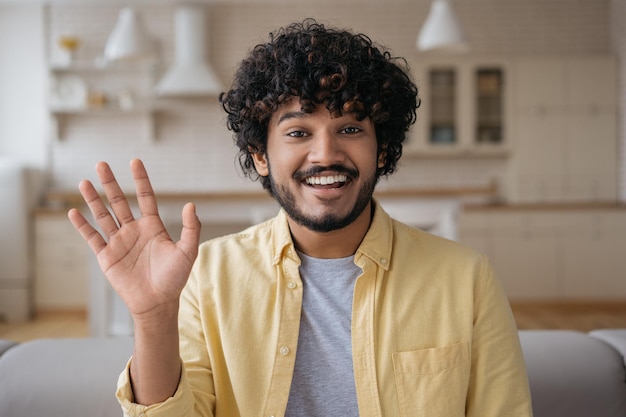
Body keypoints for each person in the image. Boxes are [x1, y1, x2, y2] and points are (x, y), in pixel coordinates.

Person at [68, 19, 532, 417]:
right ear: (261, 155)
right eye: (298, 131)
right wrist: (152, 318)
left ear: (383, 149)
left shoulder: (467, 278)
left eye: (350, 129)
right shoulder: (206, 276)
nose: (326, 154)